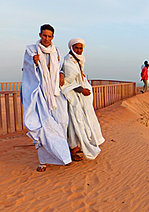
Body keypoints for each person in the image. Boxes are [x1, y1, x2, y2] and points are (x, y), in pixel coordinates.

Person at [22, 24, 71, 172]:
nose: (46, 39)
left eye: (49, 36)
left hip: (56, 93)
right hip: (40, 93)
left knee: (62, 121)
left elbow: (61, 67)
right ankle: (43, 161)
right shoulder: (31, 50)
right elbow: (27, 70)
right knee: (43, 126)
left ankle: (62, 154)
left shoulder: (58, 51)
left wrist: (61, 73)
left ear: (53, 37)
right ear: (40, 35)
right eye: (44, 35)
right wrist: (34, 62)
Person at [61, 38, 105, 161]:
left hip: (81, 98)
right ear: (71, 48)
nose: (79, 50)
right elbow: (67, 82)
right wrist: (81, 90)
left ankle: (77, 146)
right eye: (76, 48)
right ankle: (72, 149)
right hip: (74, 98)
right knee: (75, 122)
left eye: (81, 48)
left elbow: (78, 74)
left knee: (83, 121)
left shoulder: (77, 59)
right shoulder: (68, 62)